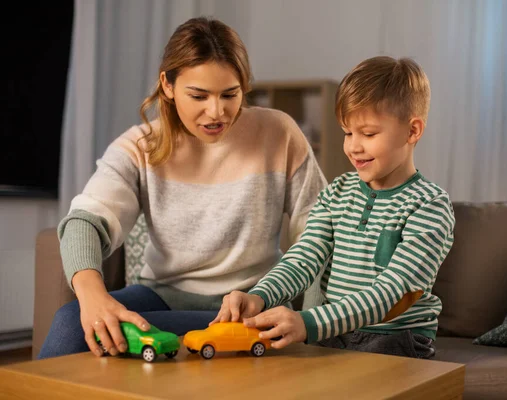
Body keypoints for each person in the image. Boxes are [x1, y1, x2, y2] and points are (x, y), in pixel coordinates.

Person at [38, 16, 327, 359]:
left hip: (254, 303)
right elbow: (85, 220)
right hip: (162, 297)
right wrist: (93, 298)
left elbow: (319, 228)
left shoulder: (279, 133)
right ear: (168, 86)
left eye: (229, 94)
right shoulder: (140, 146)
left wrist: (312, 324)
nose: (216, 111)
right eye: (199, 95)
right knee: (71, 322)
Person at [213, 56, 456, 359]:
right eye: (347, 132)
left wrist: (309, 322)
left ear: (412, 131)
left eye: (368, 134)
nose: (354, 146)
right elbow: (304, 257)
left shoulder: (429, 206)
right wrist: (259, 296)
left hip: (395, 339)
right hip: (334, 333)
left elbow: (396, 292)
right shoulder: (336, 194)